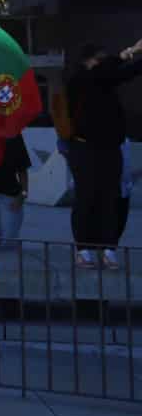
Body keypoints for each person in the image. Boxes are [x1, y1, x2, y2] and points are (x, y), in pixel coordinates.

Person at [66, 39, 142, 269]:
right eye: (98, 59)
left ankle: (109, 250)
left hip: (111, 149)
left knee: (111, 199)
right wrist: (131, 51)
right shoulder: (78, 80)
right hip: (84, 149)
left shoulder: (105, 79)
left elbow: (127, 72)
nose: (102, 63)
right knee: (86, 198)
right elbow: (104, 71)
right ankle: (84, 250)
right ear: (87, 62)